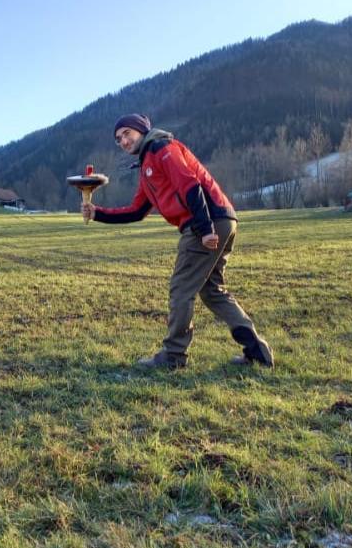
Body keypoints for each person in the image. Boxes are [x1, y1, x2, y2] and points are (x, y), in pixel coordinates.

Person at [84, 114, 273, 369]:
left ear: (141, 130)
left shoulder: (161, 148)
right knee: (212, 290)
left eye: (127, 133)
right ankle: (258, 352)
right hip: (222, 219)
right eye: (118, 139)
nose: (123, 141)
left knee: (181, 290)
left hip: (205, 221)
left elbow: (189, 184)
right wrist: (97, 214)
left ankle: (173, 356)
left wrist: (205, 229)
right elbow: (136, 211)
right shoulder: (148, 164)